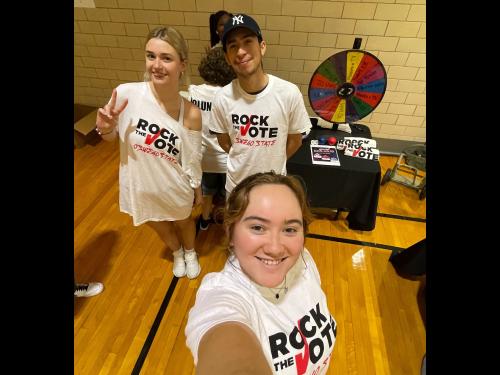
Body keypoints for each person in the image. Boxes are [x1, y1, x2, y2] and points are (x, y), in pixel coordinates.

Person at [185, 171, 337, 374]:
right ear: (231, 233)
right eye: (257, 227)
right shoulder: (222, 295)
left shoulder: (303, 259)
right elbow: (225, 343)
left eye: (290, 229)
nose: (275, 248)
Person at [95, 26, 203, 279]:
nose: (156, 65)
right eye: (151, 55)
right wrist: (106, 129)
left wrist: (197, 186)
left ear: (182, 64)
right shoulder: (125, 94)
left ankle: (190, 252)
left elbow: (192, 157)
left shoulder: (191, 112)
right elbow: (111, 138)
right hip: (140, 184)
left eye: (166, 58)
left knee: (184, 221)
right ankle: (176, 252)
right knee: (156, 224)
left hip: (174, 185)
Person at [210, 13, 312, 195]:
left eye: (247, 41)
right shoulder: (222, 98)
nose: (241, 51)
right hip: (236, 188)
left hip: (274, 186)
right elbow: (224, 141)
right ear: (227, 57)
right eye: (233, 46)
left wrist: (274, 161)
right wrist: (244, 157)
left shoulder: (289, 93)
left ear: (262, 47)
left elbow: (295, 141)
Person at [188, 47, 236, 231]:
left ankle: (205, 219)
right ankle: (228, 227)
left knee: (207, 192)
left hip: (203, 157)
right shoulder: (231, 96)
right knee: (229, 195)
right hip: (226, 157)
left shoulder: (193, 92)